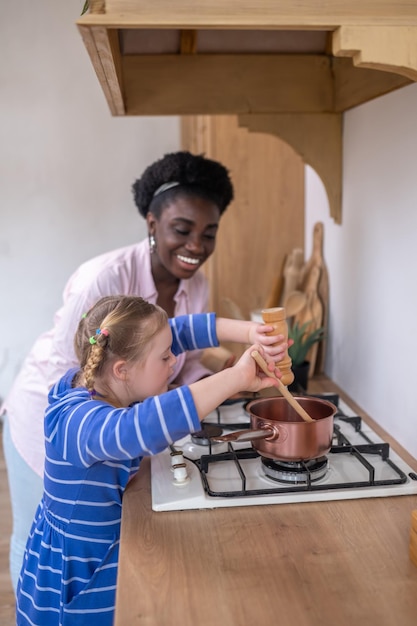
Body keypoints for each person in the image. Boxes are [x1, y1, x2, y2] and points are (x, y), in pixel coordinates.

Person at [1, 150, 237, 591]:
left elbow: (179, 357)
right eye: (182, 230)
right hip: (49, 427)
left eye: (209, 234)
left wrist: (214, 381)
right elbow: (73, 366)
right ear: (152, 223)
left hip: (115, 427)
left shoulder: (196, 285)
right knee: (42, 541)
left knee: (94, 549)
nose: (196, 247)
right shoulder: (104, 278)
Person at [16, 295, 283, 625]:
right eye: (165, 357)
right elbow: (138, 428)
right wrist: (235, 379)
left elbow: (176, 331)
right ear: (123, 369)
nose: (174, 362)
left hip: (102, 543)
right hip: (81, 567)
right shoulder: (77, 421)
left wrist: (252, 333)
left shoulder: (97, 378)